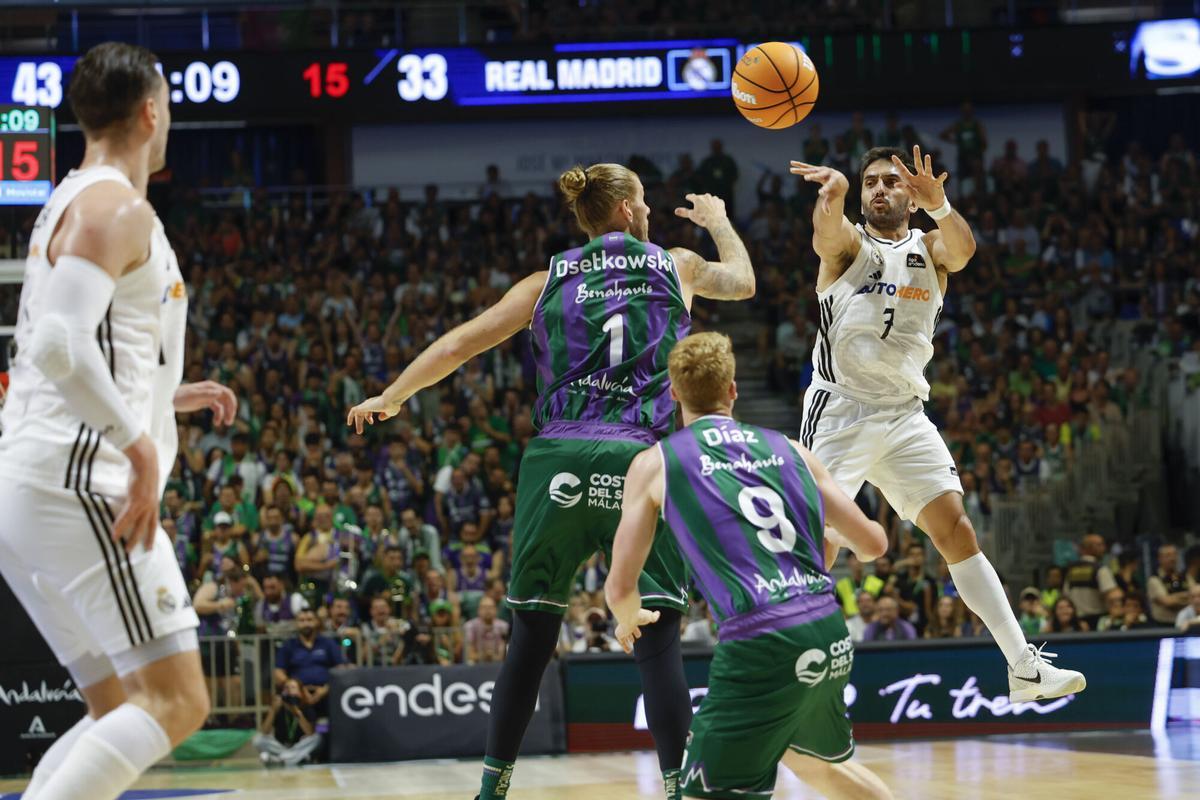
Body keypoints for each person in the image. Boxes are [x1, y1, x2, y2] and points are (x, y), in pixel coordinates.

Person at [347, 162, 756, 800]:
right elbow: (744, 282)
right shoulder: (676, 263)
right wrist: (719, 222)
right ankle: (680, 788)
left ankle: (492, 790)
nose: (648, 211)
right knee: (656, 636)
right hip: (641, 460)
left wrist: (394, 394)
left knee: (533, 636)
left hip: (558, 457)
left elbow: (461, 345)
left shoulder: (548, 280)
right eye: (643, 202)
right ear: (624, 210)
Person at [0, 42, 239, 800]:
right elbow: (59, 345)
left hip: (37, 483)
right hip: (82, 482)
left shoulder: (76, 197)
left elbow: (67, 353)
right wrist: (138, 447)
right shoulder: (115, 205)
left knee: (116, 706)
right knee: (177, 701)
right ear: (150, 112)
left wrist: (162, 394)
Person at [791, 145, 1085, 702]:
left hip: (904, 413)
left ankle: (1023, 668)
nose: (880, 189)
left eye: (891, 182)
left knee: (956, 529)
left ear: (909, 194)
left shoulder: (931, 249)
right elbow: (825, 236)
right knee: (818, 545)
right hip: (841, 409)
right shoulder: (849, 244)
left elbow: (964, 250)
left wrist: (943, 205)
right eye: (870, 181)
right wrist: (831, 199)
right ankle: (778, 671)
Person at [606, 332, 892, 800]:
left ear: (673, 395)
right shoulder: (790, 449)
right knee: (816, 766)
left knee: (698, 792)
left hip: (761, 642)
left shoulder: (655, 464)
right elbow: (874, 543)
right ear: (733, 390)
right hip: (827, 628)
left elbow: (620, 588)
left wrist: (628, 619)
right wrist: (823, 538)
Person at [274, 608, 346, 717]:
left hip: (326, 691)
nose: (306, 623)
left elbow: (341, 667)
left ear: (317, 622)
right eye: (301, 620)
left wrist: (325, 689)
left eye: (309, 620)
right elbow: (278, 672)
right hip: (297, 693)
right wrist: (297, 688)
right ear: (296, 624)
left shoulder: (327, 643)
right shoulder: (289, 645)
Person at [253, 677, 321, 768]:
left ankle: (278, 759)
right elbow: (265, 731)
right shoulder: (278, 708)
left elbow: (309, 733)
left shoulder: (307, 708)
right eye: (286, 688)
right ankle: (295, 758)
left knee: (317, 738)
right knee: (258, 739)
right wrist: (273, 710)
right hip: (281, 747)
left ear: (300, 693)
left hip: (299, 746)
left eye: (293, 688)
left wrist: (297, 712)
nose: (289, 690)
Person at [1063, 533, 1117, 628]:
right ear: (1088, 548)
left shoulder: (1071, 570)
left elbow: (1066, 595)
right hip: (1098, 621)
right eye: (1099, 545)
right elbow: (1112, 597)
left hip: (1077, 622)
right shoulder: (1100, 569)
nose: (1103, 548)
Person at [1148, 544, 1194, 626]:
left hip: (1185, 624)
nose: (1172, 559)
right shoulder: (1154, 579)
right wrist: (1187, 596)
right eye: (1168, 555)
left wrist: (1175, 597)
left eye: (1174, 554)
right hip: (1162, 626)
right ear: (1160, 558)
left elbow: (1196, 595)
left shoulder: (1185, 576)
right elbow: (1167, 602)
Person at [465, 596, 510, 664]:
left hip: (499, 663)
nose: (487, 610)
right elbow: (469, 655)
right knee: (469, 662)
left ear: (496, 610)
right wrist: (484, 655)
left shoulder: (504, 627)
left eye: (490, 607)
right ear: (478, 610)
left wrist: (495, 656)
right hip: (477, 664)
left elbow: (507, 653)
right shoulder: (470, 626)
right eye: (484, 607)